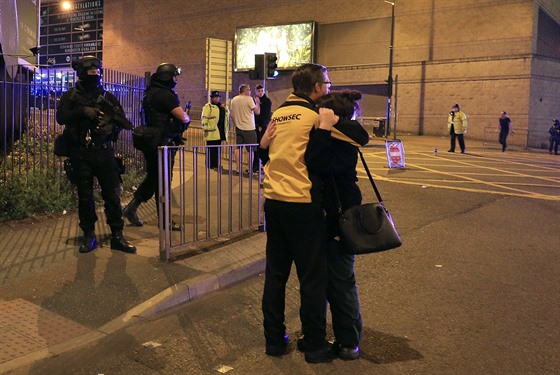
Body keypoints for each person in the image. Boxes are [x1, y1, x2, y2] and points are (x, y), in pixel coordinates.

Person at [258, 63, 367, 363]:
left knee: (275, 276)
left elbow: (270, 152)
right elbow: (359, 137)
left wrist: (261, 147)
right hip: (303, 205)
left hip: (273, 203)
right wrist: (326, 125)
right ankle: (316, 344)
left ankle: (274, 341)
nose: (330, 88)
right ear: (317, 88)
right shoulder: (315, 117)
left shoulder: (278, 113)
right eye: (328, 84)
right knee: (312, 279)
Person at [305, 90, 370, 360]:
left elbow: (318, 161)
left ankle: (348, 340)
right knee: (321, 280)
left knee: (341, 281)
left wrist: (325, 127)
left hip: (339, 217)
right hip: (321, 216)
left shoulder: (342, 138)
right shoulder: (335, 133)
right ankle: (321, 333)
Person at [56, 55, 136, 254]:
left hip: (105, 152)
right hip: (81, 153)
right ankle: (89, 235)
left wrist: (109, 125)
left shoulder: (107, 97)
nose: (95, 76)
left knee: (112, 195)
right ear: (82, 74)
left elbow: (122, 120)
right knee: (85, 197)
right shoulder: (71, 96)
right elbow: (61, 117)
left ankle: (117, 234)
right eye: (91, 73)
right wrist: (83, 111)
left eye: (96, 73)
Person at [123, 63, 190, 230]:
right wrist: (186, 118)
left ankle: (132, 208)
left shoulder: (152, 92)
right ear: (167, 78)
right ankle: (165, 220)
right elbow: (183, 117)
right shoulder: (165, 95)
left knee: (154, 178)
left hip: (153, 142)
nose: (176, 79)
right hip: (163, 143)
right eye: (174, 76)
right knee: (164, 182)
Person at [230, 84, 259, 174]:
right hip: (249, 128)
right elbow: (257, 112)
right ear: (246, 90)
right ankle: (250, 169)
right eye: (249, 90)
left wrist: (236, 123)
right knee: (250, 150)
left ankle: (238, 168)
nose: (250, 92)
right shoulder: (249, 99)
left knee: (238, 148)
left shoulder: (234, 100)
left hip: (238, 127)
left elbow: (231, 113)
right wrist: (257, 102)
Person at [201, 91, 228, 170]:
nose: (216, 99)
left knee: (217, 149)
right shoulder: (208, 107)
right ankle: (210, 164)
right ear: (212, 98)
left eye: (217, 97)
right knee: (211, 149)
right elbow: (204, 118)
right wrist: (205, 127)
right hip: (211, 131)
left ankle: (216, 164)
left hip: (219, 132)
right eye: (215, 97)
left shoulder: (221, 106)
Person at [253, 84, 272, 172]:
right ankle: (255, 166)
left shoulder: (267, 101)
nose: (260, 93)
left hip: (262, 126)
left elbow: (265, 114)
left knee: (261, 146)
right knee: (255, 147)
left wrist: (261, 125)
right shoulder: (254, 100)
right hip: (255, 125)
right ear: (256, 91)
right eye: (258, 91)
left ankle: (262, 165)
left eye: (262, 91)